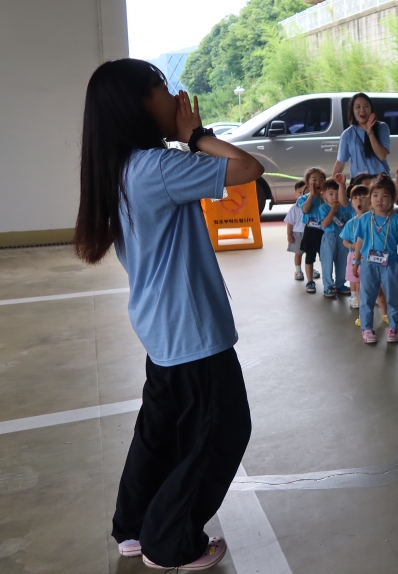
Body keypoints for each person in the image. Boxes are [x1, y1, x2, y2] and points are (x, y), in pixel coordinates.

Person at [73, 59, 259, 569]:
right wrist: (195, 134)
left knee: (160, 430)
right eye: (160, 88)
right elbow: (248, 170)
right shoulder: (156, 169)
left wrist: (187, 138)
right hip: (193, 328)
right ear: (137, 105)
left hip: (161, 326)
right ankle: (170, 539)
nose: (172, 94)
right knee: (220, 431)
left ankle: (132, 527)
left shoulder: (122, 168)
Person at [350, 175, 398, 344]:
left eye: (384, 196)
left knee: (392, 296)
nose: (379, 200)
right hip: (368, 264)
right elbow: (359, 242)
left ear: (392, 198)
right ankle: (367, 328)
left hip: (390, 265)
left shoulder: (397, 221)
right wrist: (356, 261)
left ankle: (394, 328)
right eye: (375, 195)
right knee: (367, 296)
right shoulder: (365, 219)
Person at [333, 92, 391, 178]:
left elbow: (382, 156)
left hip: (380, 181)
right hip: (359, 183)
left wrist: (370, 132)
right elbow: (341, 162)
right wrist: (331, 184)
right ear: (352, 110)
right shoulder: (347, 134)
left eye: (366, 106)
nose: (362, 110)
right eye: (357, 107)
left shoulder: (382, 127)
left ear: (371, 109)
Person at [316, 178, 353, 298]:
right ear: (324, 195)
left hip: (344, 238)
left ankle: (340, 284)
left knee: (343, 261)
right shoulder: (323, 208)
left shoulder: (346, 206)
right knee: (327, 261)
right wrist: (333, 210)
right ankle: (328, 286)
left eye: (338, 194)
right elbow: (325, 224)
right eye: (331, 194)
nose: (335, 197)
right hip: (329, 237)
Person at [297, 167, 327, 294]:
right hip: (310, 231)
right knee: (310, 256)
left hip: (325, 231)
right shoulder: (303, 198)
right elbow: (305, 210)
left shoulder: (326, 197)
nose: (318, 182)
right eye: (314, 180)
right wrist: (312, 194)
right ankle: (310, 281)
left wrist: (323, 196)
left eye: (321, 180)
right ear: (308, 183)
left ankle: (328, 281)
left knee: (325, 257)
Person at [340, 183, 369, 309]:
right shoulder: (351, 223)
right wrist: (352, 246)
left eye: (363, 197)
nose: (359, 200)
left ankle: (367, 298)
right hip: (353, 255)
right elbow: (344, 240)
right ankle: (354, 297)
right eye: (356, 198)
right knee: (354, 278)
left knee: (366, 280)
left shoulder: (372, 220)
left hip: (368, 256)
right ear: (351, 203)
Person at [286, 179, 309, 281]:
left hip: (310, 233)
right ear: (295, 194)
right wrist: (289, 234)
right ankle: (298, 271)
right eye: (300, 192)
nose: (303, 194)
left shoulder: (312, 206)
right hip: (297, 233)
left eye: (306, 192)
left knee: (310, 254)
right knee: (298, 253)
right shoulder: (294, 208)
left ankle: (310, 270)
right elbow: (290, 222)